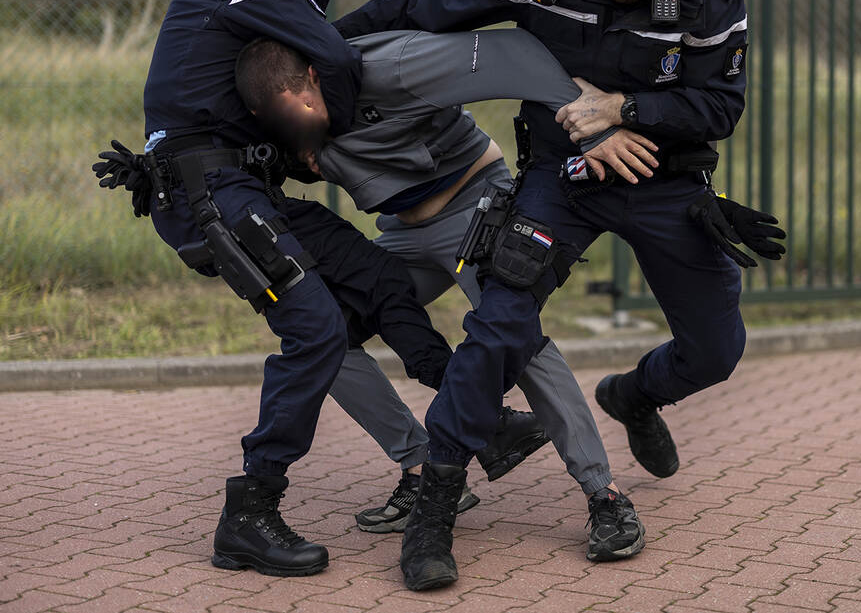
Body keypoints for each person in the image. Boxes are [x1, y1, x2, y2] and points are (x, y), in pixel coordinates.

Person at [335, 0, 786, 590]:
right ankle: (438, 499)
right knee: (500, 321)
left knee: (716, 349)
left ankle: (636, 394)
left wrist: (625, 109)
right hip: (561, 176)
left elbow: (722, 108)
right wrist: (322, 48)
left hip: (662, 179)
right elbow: (424, 4)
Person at [92, 0, 541, 579]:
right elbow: (333, 54)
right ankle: (248, 513)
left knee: (383, 278)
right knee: (317, 329)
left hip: (243, 188)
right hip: (210, 195)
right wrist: (329, 128)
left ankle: (481, 420)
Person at [234, 29, 648, 563]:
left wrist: (591, 128)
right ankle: (420, 465)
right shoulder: (283, 125)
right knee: (322, 332)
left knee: (517, 338)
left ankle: (603, 493)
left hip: (478, 203)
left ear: (314, 77)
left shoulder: (395, 66)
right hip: (405, 230)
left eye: (305, 104)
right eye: (288, 117)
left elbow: (509, 56)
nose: (303, 118)